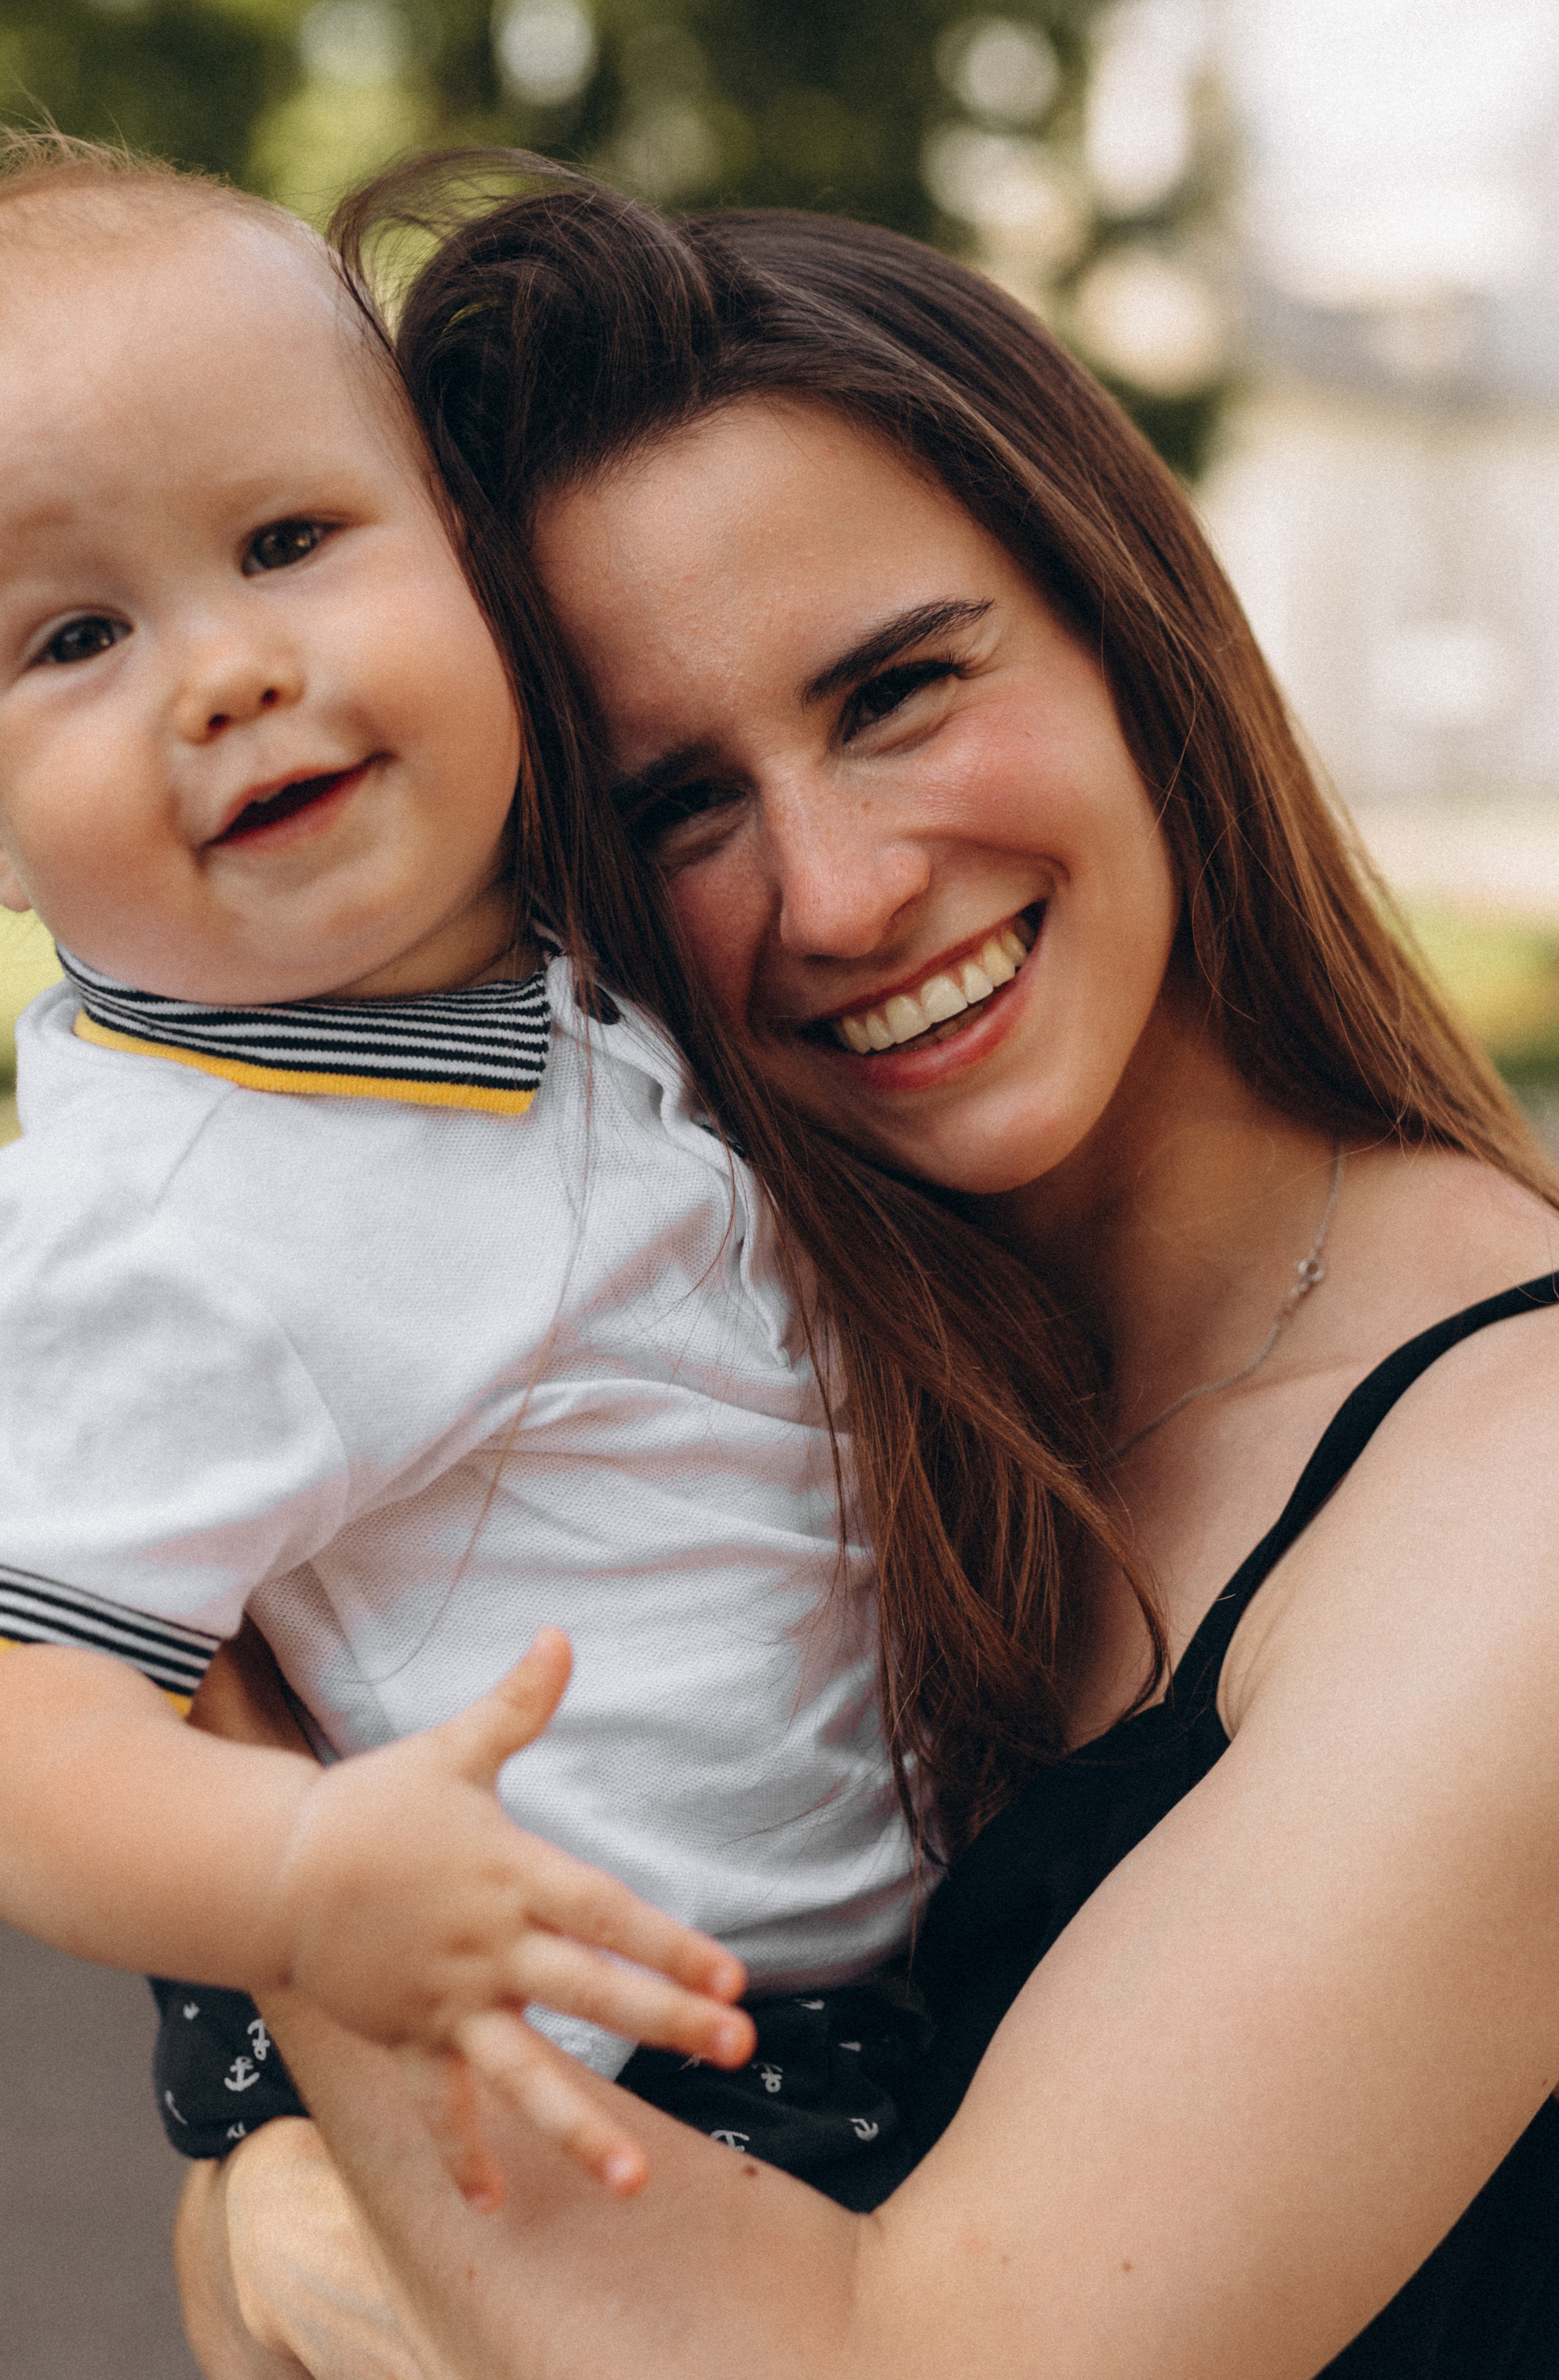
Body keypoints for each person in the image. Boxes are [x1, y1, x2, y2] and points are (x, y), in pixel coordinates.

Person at [179, 163, 1559, 2380]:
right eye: (675, 809)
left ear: (1135, 633)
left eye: (897, 688)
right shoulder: (774, 1395)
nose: (835, 890)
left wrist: (263, 1801)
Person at [0, 138, 1122, 2221]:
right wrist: (299, 1875)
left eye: (286, 535)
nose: (222, 668)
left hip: (875, 1972)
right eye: (71, 637)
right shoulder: (162, 1224)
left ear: (465, 556)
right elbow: (25, 1713)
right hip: (641, 2073)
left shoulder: (554, 958)